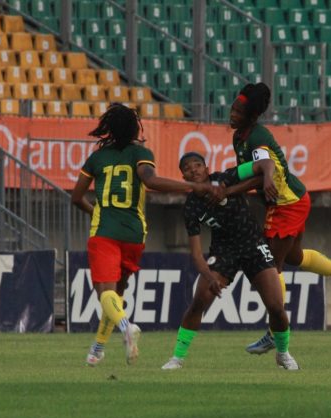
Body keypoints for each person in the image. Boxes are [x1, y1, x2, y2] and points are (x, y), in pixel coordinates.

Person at [71, 104, 220, 367]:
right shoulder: (141, 153)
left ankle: (126, 327)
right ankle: (97, 348)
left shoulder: (98, 158)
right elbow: (150, 181)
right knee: (117, 292)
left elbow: (76, 197)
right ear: (133, 128)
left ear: (109, 129)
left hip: (104, 231)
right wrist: (192, 186)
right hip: (134, 234)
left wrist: (95, 212)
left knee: (105, 293)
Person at [226, 83, 331, 355]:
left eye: (238, 111)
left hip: (287, 205)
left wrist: (254, 182)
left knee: (269, 266)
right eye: (232, 108)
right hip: (291, 200)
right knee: (294, 257)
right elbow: (251, 170)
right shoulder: (240, 136)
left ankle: (275, 330)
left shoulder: (257, 137)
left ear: (251, 116)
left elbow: (265, 164)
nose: (232, 114)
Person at [161, 152, 299, 371]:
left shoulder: (225, 178)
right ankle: (177, 358)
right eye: (187, 168)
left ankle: (283, 353)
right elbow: (196, 254)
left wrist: (267, 178)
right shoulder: (191, 207)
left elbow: (266, 163)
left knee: (275, 306)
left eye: (197, 165)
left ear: (206, 168)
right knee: (199, 300)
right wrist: (209, 277)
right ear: (183, 177)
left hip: (253, 245)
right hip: (224, 252)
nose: (193, 170)